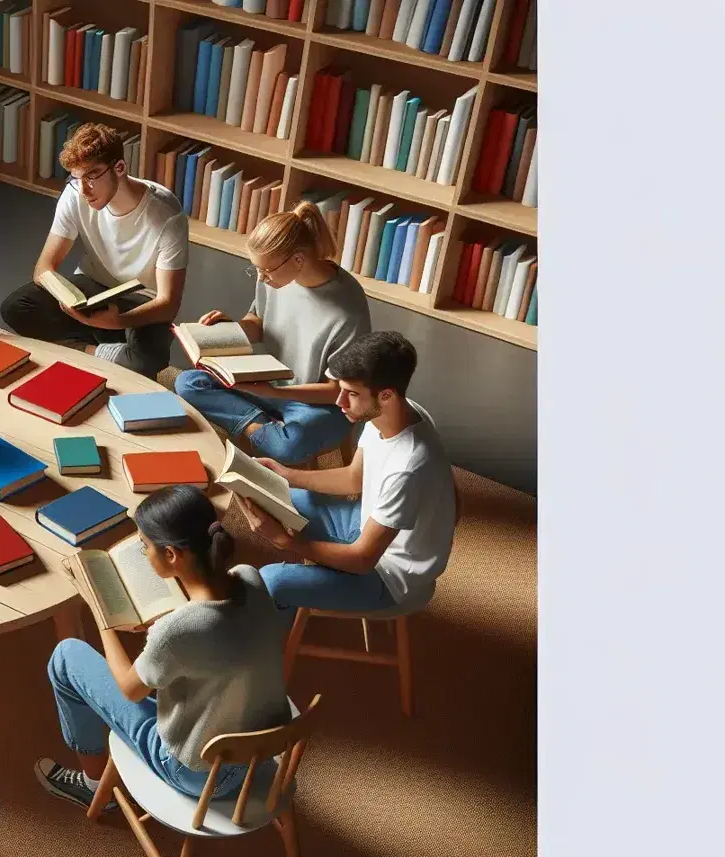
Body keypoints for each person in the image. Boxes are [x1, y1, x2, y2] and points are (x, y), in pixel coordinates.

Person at [36, 485, 291, 810]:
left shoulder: (177, 631)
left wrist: (102, 614)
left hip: (196, 772)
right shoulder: (250, 577)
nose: (143, 553)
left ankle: (92, 781)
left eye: (144, 546)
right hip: (258, 750)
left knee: (65, 656)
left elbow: (130, 689)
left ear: (171, 555)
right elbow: (214, 624)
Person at [236, 331, 457, 618]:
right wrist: (286, 475)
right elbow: (354, 478)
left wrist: (286, 542)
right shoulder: (393, 412)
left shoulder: (409, 466)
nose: (339, 402)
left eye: (351, 394)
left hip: (389, 576)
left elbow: (364, 559)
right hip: (365, 523)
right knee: (275, 493)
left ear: (387, 395)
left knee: (269, 582)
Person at [174, 201, 371, 465]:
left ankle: (255, 428)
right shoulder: (274, 278)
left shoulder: (347, 311)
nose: (261, 277)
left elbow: (335, 391)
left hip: (317, 404)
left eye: (266, 270)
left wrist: (274, 393)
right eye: (256, 269)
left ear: (298, 259)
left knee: (290, 446)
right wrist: (232, 329)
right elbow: (259, 321)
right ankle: (262, 427)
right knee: (188, 383)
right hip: (270, 382)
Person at [0, 122, 189, 380]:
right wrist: (67, 297)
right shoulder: (75, 193)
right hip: (92, 288)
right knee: (15, 307)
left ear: (119, 168)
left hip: (143, 301)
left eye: (91, 177)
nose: (84, 190)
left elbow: (168, 304)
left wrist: (119, 321)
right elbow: (43, 268)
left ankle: (86, 344)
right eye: (77, 179)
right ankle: (94, 350)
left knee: (147, 361)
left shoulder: (167, 215)